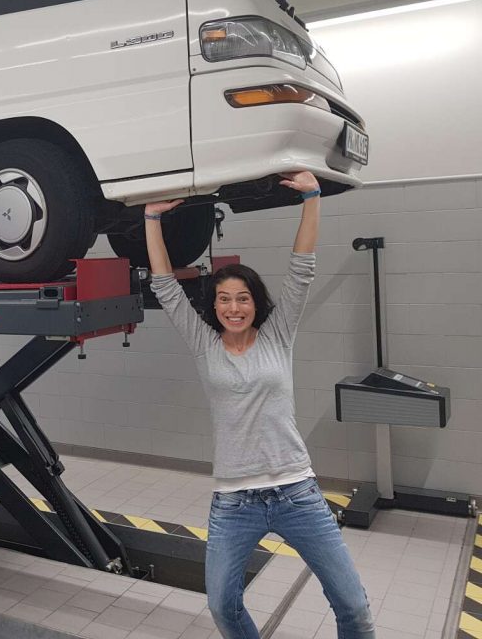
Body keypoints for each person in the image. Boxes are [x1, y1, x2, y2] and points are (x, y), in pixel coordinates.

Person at [144, 170, 375, 639]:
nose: (234, 308)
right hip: (235, 501)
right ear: (214, 307)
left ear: (255, 303)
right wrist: (151, 219)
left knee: (353, 608)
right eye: (224, 300)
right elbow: (166, 286)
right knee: (222, 606)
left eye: (243, 299)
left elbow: (302, 268)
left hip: (296, 493)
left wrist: (312, 196)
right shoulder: (204, 345)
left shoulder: (278, 336)